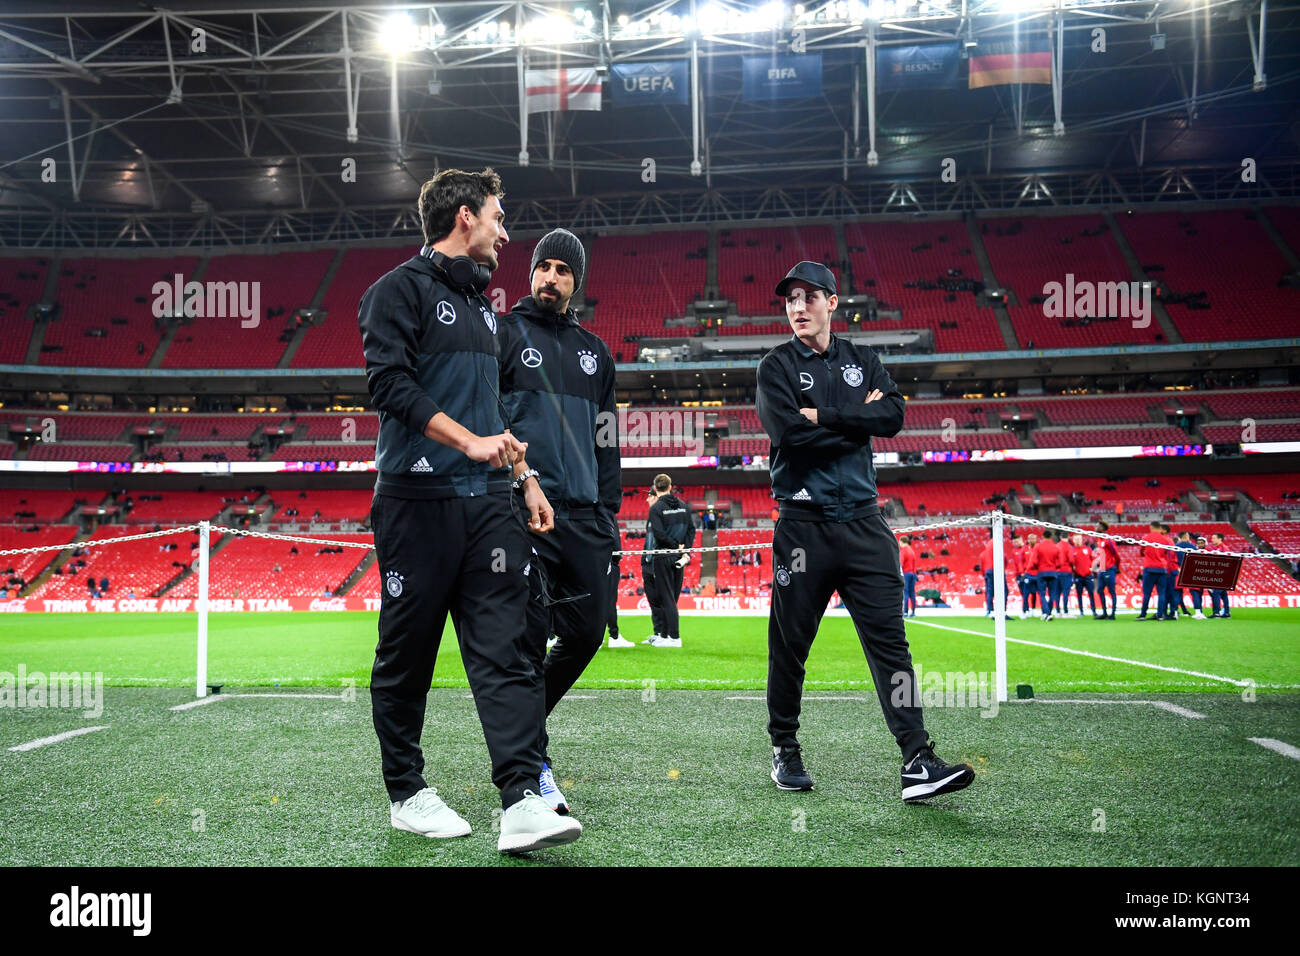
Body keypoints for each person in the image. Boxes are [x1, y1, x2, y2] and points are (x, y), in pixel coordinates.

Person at [358, 166, 581, 854]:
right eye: (497, 217)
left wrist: (526, 475)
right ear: (464, 217)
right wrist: (470, 442)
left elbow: (495, 415)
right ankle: (406, 792)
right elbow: (389, 386)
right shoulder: (394, 292)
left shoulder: (488, 311)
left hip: (489, 504)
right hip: (416, 501)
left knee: (509, 648)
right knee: (407, 653)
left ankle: (520, 797)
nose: (505, 232)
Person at [755, 260, 973, 802]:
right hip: (803, 527)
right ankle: (784, 746)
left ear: (833, 302)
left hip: (864, 524)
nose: (798, 307)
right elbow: (788, 435)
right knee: (790, 646)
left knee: (891, 647)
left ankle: (917, 759)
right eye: (790, 300)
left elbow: (893, 417)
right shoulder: (775, 366)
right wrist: (855, 418)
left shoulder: (864, 359)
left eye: (809, 297)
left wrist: (821, 417)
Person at [498, 228, 622, 813]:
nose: (551, 278)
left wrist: (609, 509)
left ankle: (521, 734)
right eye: (543, 267)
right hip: (524, 511)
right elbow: (487, 420)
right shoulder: (501, 334)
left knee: (586, 634)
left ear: (577, 282)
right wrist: (515, 489)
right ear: (530, 274)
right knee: (524, 645)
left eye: (563, 271)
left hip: (585, 517)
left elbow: (607, 434)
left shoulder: (596, 352)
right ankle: (532, 769)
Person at [640, 474, 695, 647]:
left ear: (656, 488)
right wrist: (684, 549)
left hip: (663, 556)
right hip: (679, 557)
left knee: (667, 599)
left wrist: (674, 546)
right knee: (673, 597)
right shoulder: (684, 507)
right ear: (671, 486)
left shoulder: (656, 509)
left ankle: (673, 637)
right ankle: (664, 635)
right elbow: (691, 530)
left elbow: (659, 534)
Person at [1137, 520, 1171, 621]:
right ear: (1159, 527)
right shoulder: (1165, 540)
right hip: (1161, 569)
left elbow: (1141, 552)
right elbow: (1166, 553)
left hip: (1149, 568)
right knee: (1161, 593)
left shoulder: (1146, 538)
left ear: (1151, 527)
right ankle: (1160, 615)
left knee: (1147, 593)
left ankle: (1143, 614)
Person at [1028, 528, 1060, 621]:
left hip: (1042, 572)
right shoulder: (1056, 547)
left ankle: (1046, 612)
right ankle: (1048, 612)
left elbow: (1033, 561)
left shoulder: (1038, 546)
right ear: (1051, 537)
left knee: (1042, 594)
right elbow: (1059, 562)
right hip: (1053, 572)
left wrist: (1037, 567)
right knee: (1052, 594)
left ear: (1043, 536)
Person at [1094, 520, 1121, 619]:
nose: (1095, 528)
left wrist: (1117, 567)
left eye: (1097, 526)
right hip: (1102, 569)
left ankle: (1112, 614)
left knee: (1111, 591)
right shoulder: (1099, 540)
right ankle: (1104, 612)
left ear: (1103, 528)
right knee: (1100, 590)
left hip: (1109, 569)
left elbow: (1116, 554)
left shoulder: (1109, 540)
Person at [1070, 532, 1098, 618]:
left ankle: (1094, 611)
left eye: (1079, 539)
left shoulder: (1088, 549)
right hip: (1078, 576)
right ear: (1073, 540)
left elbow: (1094, 559)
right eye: (1076, 539)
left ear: (1082, 540)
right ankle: (1081, 611)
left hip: (1088, 576)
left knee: (1091, 594)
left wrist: (1092, 568)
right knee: (1079, 594)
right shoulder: (1072, 550)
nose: (1078, 541)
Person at [1209, 532, 1232, 618]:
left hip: (1222, 574)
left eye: (1214, 538)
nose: (1212, 540)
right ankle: (1226, 612)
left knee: (1216, 593)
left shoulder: (1223, 548)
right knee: (1223, 594)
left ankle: (1216, 612)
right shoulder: (1218, 548)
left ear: (1220, 539)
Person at [1054, 530, 1075, 616]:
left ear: (1060, 537)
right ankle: (1065, 611)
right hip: (1066, 571)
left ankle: (1058, 611)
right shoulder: (1069, 547)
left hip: (1057, 572)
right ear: (1068, 537)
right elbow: (1071, 559)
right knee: (1066, 592)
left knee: (1057, 592)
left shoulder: (1056, 546)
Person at [898, 534, 918, 617]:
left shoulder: (903, 551)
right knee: (912, 593)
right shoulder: (911, 550)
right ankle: (913, 611)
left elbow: (900, 564)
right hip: (912, 573)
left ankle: (905, 611)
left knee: (905, 593)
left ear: (902, 542)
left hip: (906, 573)